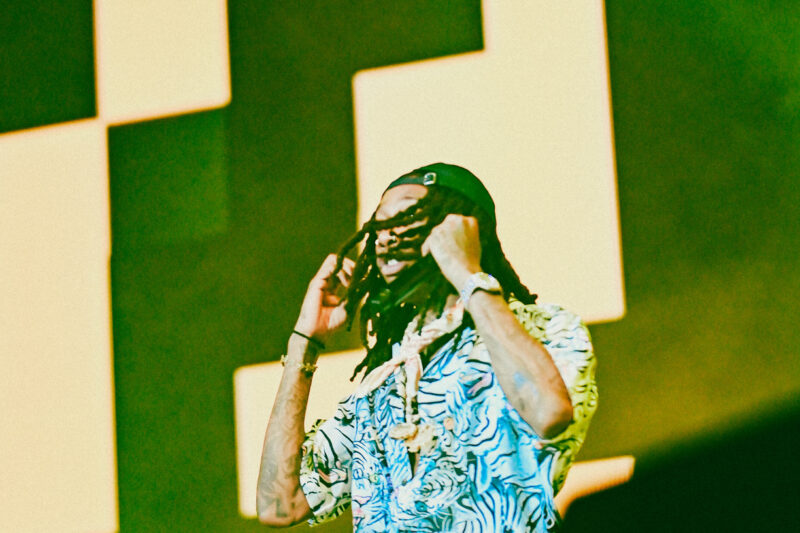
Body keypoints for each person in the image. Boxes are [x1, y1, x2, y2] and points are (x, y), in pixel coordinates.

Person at [256, 163, 597, 532]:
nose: (386, 235)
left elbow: (549, 412)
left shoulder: (544, 329)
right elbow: (280, 505)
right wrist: (305, 341)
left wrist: (468, 274)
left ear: (462, 227)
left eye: (406, 216)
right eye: (379, 224)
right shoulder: (383, 384)